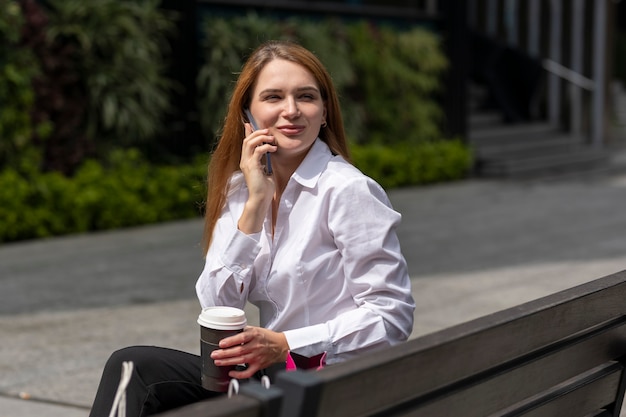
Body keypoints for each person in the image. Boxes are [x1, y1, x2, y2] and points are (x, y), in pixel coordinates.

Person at [89, 40, 415, 417]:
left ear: (324, 112)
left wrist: (285, 343)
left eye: (306, 97)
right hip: (270, 382)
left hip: (330, 387)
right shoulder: (242, 189)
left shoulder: (347, 190)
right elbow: (217, 306)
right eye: (273, 97)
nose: (291, 111)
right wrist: (255, 206)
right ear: (249, 114)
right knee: (133, 368)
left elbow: (391, 316)